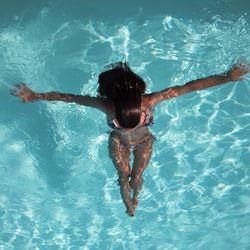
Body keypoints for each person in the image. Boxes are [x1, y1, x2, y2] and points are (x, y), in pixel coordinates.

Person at [10, 62, 249, 216]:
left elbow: (190, 87)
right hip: (119, 142)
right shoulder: (106, 105)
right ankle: (128, 204)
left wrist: (227, 77)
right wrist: (35, 96)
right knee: (122, 175)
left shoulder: (149, 101)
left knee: (137, 175)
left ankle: (136, 197)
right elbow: (68, 97)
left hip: (145, 141)